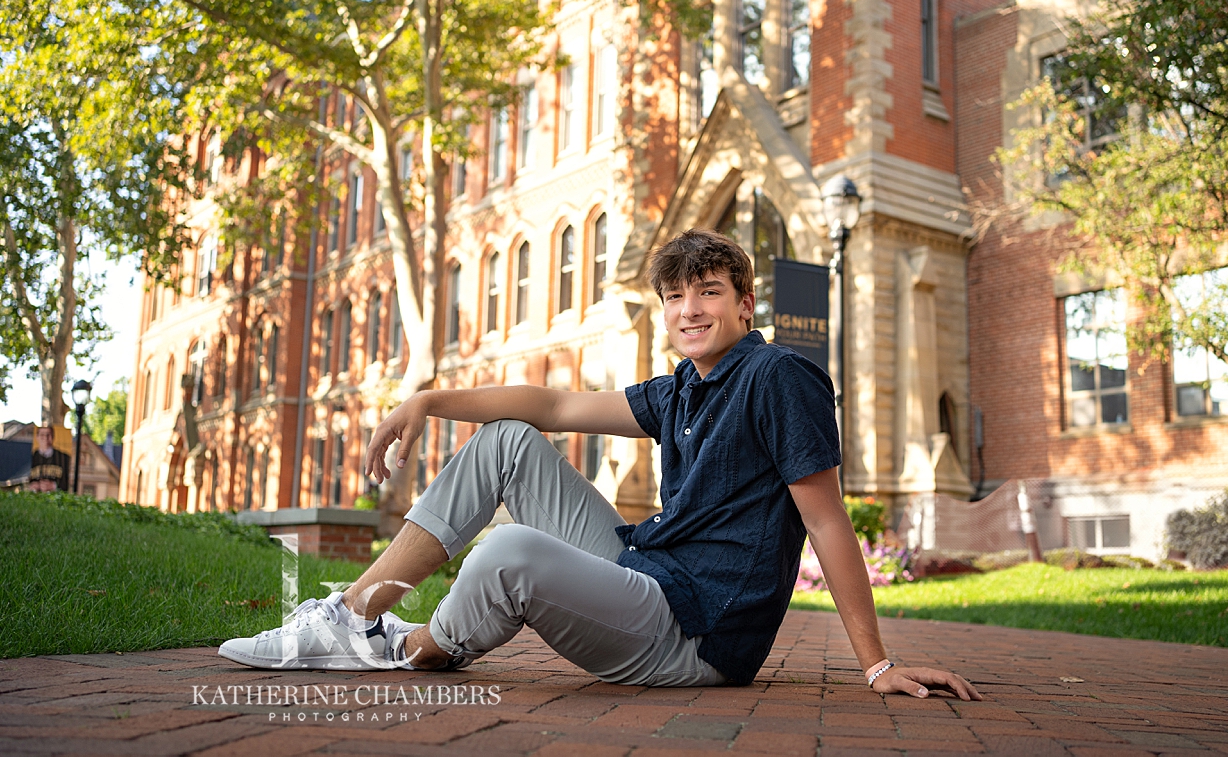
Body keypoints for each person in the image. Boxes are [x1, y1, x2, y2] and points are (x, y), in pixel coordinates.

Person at [219, 229, 980, 700]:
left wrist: (877, 666)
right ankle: (352, 618)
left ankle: (410, 648)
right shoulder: (684, 386)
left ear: (745, 303)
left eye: (709, 291)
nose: (689, 308)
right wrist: (427, 399)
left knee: (508, 550)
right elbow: (550, 409)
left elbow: (827, 521)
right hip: (653, 572)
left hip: (698, 634)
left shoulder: (777, 376)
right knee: (509, 439)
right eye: (676, 295)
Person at [29, 425, 69, 493]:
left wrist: (53, 486)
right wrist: (32, 486)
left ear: (53, 437)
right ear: (37, 437)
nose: (45, 437)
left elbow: (70, 482)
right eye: (42, 434)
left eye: (48, 434)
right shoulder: (31, 457)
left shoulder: (64, 458)